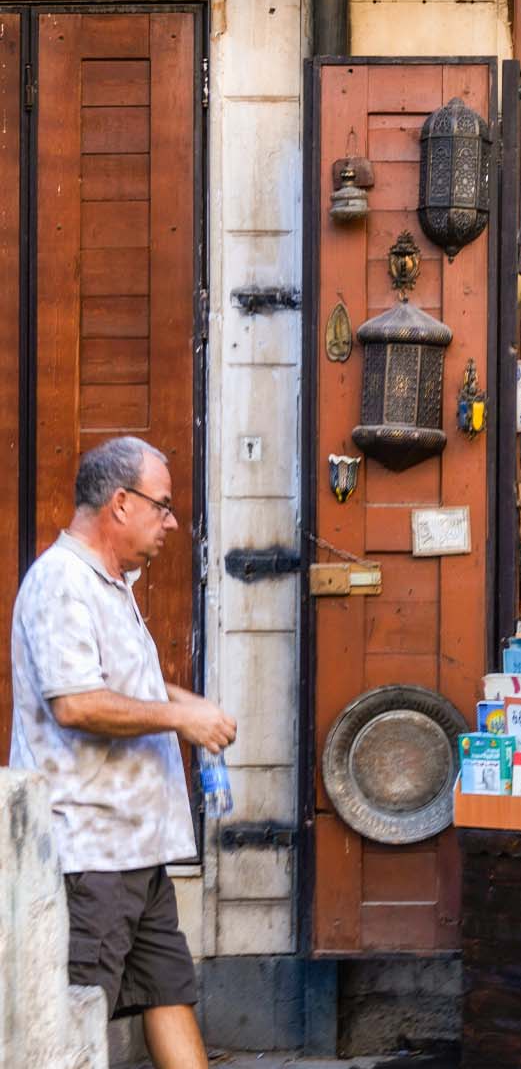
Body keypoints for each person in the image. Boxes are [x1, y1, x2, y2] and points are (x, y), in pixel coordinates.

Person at [9, 436, 236, 1069]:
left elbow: (119, 684)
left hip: (137, 848)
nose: (170, 521)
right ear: (120, 503)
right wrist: (177, 720)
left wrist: (189, 706)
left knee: (169, 993)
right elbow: (77, 704)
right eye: (162, 505)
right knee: (70, 1021)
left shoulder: (110, 583)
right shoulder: (61, 585)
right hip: (89, 852)